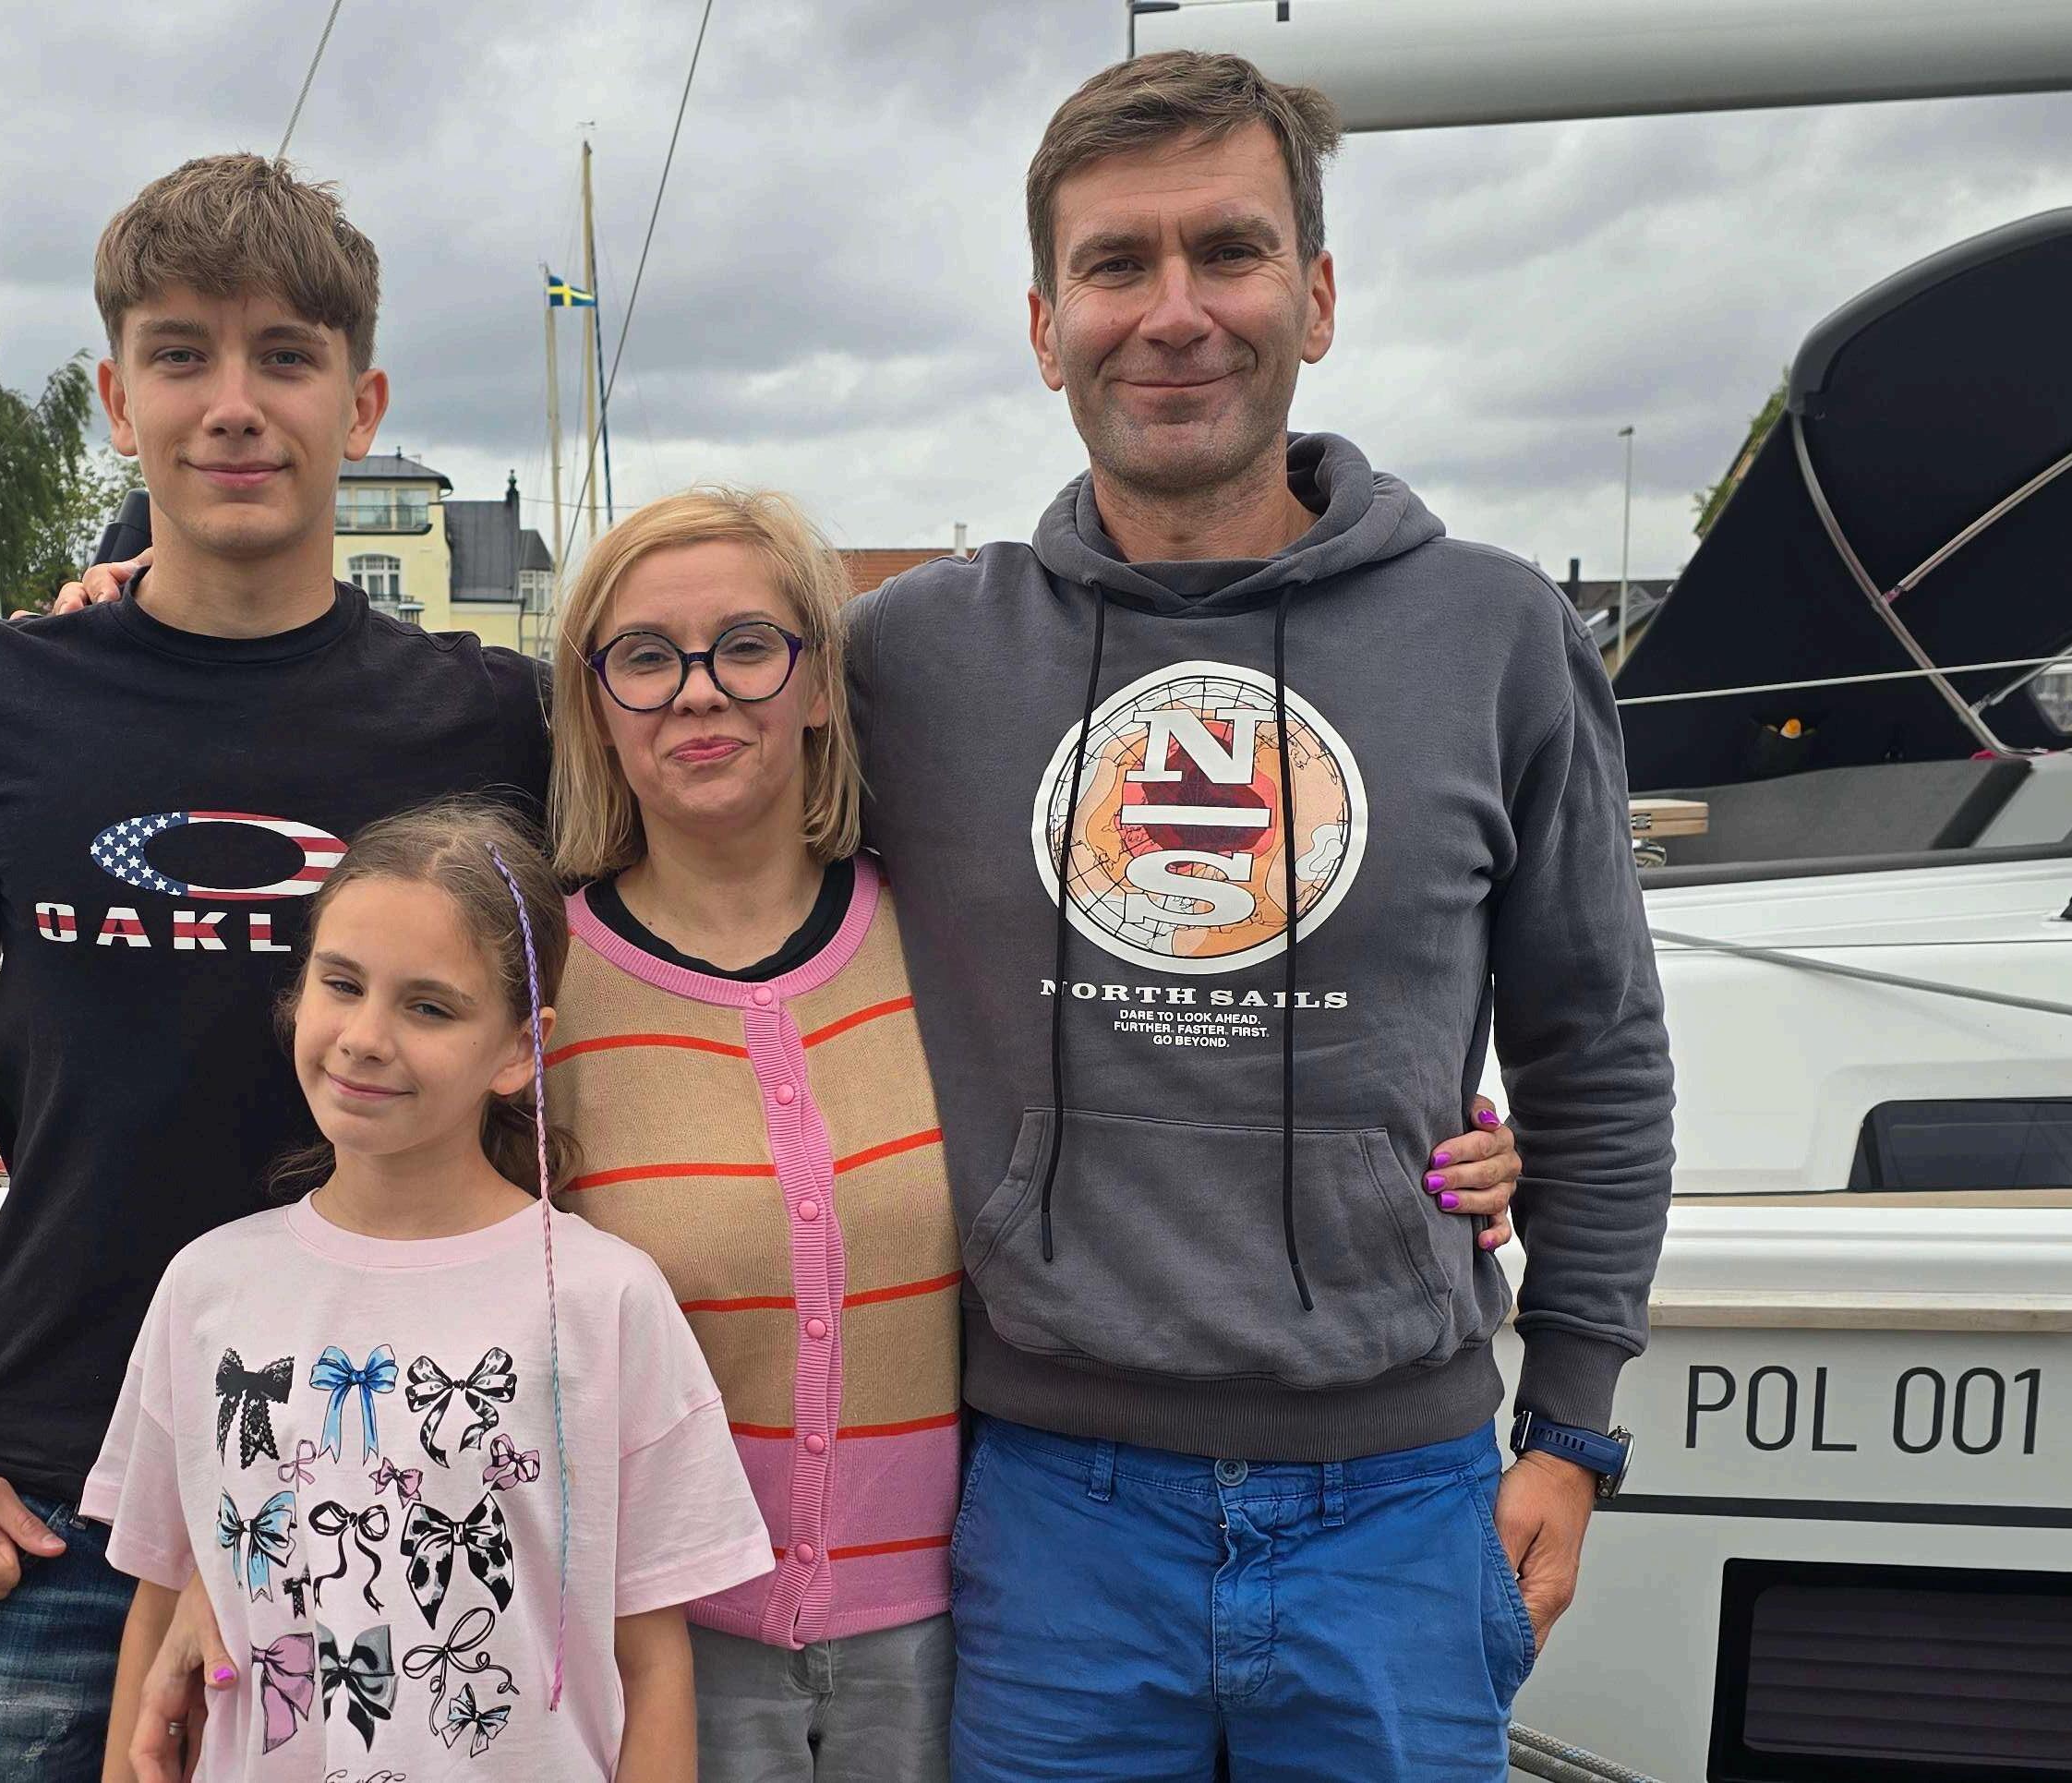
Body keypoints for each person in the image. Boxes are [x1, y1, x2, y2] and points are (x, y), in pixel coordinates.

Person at [101, 488, 1524, 1781]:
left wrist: (1429, 1141)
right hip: (663, 1647)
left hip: (956, 1633)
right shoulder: (535, 990)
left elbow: (1164, 1084)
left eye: (746, 645)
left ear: (821, 681)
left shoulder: (959, 940)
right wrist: (225, 1587)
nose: (698, 689)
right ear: (595, 703)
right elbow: (382, 1269)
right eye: (644, 656)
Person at [847, 53, 1677, 1779]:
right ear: (1044, 323)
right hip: (1051, 1518)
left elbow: (1596, 1052)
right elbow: (677, 831)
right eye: (1115, 264)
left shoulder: (1497, 636)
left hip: (1404, 1509)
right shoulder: (915, 660)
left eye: (1226, 251)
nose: (1175, 313)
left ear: (1316, 295)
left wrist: (1573, 1428)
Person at [0, 152, 548, 1780]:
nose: (234, 404)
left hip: (390, 1478)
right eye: (181, 354)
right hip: (49, 1506)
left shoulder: (490, 721)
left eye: (285, 356)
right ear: (116, 397)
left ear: (360, 404)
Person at [90, 800, 772, 1780]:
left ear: (519, 1049)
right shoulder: (205, 1286)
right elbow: (158, 1598)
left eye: (429, 1007)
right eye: (342, 983)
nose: (366, 1036)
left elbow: (653, 1661)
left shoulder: (604, 1297)